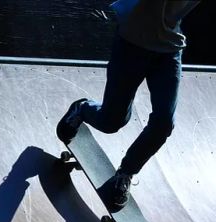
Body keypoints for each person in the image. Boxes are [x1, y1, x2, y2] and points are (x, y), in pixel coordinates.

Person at [57, 0, 201, 208]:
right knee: (111, 122)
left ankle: (125, 174)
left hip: (169, 52)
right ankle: (83, 109)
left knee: (164, 124)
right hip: (131, 46)